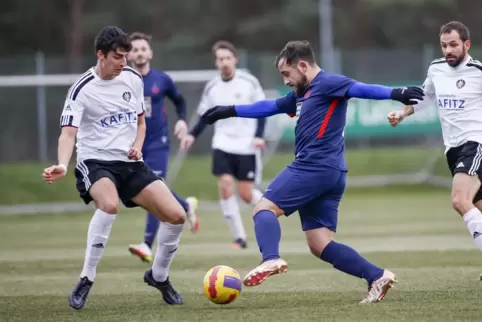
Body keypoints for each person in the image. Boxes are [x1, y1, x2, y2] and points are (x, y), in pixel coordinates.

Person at [200, 40, 425, 304]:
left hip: (314, 166)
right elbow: (271, 106)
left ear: (303, 65)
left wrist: (395, 93)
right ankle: (377, 276)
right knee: (319, 244)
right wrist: (230, 110)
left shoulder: (328, 83)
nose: (286, 80)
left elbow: (360, 89)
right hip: (332, 172)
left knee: (263, 208)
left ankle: (270, 258)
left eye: (287, 73)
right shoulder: (302, 93)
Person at [42, 26, 186, 309]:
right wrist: (61, 162)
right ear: (101, 54)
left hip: (130, 163)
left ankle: (159, 275)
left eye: (126, 56)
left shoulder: (132, 78)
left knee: (177, 215)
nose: (124, 62)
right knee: (108, 205)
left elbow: (141, 123)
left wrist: (137, 144)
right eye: (118, 57)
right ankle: (87, 278)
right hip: (95, 161)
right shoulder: (82, 89)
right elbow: (68, 134)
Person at [387, 21, 482, 278]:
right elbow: (426, 97)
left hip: (475, 144)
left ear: (466, 44)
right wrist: (402, 113)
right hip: (452, 149)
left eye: (453, 45)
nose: (448, 50)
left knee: (459, 200)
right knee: (477, 207)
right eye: (444, 45)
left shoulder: (478, 71)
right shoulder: (436, 69)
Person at [180, 41, 266, 249]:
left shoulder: (249, 82)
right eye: (220, 59)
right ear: (216, 62)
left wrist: (259, 136)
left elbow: (263, 109)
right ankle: (239, 237)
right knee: (226, 186)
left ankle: (269, 210)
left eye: (228, 58)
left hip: (246, 145)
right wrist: (192, 134)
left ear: (235, 59)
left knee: (246, 194)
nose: (225, 62)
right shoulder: (213, 87)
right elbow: (204, 116)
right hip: (222, 144)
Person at [126, 32, 199, 263]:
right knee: (144, 191)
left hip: (158, 143)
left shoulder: (161, 80)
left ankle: (147, 244)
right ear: (127, 55)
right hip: (133, 145)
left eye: (142, 49)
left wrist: (182, 121)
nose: (139, 53)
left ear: (150, 53)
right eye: (134, 49)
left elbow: (179, 101)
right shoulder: (123, 82)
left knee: (152, 189)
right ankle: (186, 204)